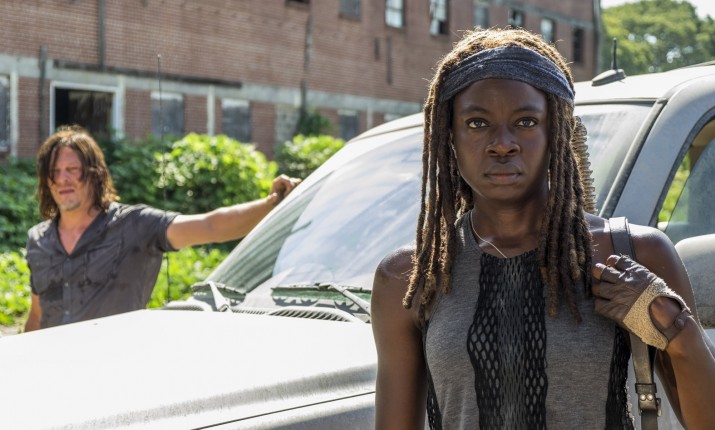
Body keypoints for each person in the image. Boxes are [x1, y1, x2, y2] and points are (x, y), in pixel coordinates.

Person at [371, 27, 715, 429]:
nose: (502, 144)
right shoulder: (409, 277)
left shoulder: (632, 254)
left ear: (557, 133)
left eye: (526, 121)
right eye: (477, 123)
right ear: (449, 137)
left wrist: (677, 328)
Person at [24, 125, 300, 332]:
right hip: (53, 372)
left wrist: (272, 204)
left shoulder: (135, 225)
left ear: (95, 174)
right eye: (55, 172)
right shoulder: (38, 240)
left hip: (114, 371)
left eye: (73, 169)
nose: (63, 179)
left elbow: (210, 225)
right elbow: (36, 316)